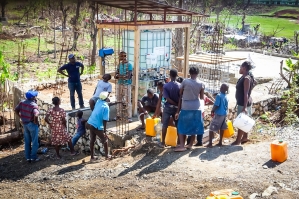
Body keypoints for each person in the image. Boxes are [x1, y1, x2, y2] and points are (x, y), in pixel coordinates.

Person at [174, 66, 205, 152]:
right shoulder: (201, 83)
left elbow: (180, 93)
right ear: (197, 73)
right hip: (196, 106)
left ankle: (182, 146)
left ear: (190, 73)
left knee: (181, 126)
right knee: (194, 125)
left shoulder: (185, 81)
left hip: (186, 106)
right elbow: (202, 97)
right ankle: (190, 144)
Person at [232, 61, 257, 145]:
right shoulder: (247, 77)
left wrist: (244, 107)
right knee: (245, 120)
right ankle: (245, 137)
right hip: (244, 102)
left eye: (240, 67)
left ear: (244, 68)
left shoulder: (246, 78)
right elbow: (255, 82)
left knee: (241, 122)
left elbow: (246, 93)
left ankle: (238, 141)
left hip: (243, 103)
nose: (239, 69)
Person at [14, 90, 40, 162]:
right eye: (35, 96)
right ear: (33, 97)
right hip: (32, 124)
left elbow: (16, 110)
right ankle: (33, 157)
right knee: (35, 142)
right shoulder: (33, 105)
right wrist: (35, 121)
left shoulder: (22, 103)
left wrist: (21, 117)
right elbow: (36, 114)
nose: (36, 97)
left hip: (25, 124)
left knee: (27, 141)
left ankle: (28, 157)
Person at [86, 91, 111, 161]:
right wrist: (104, 131)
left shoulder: (98, 101)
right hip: (96, 125)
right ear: (106, 98)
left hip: (89, 123)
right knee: (105, 140)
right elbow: (105, 120)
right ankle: (107, 155)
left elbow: (106, 103)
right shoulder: (106, 107)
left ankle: (92, 157)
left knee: (92, 140)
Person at [159, 69, 180, 148]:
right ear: (176, 75)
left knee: (165, 125)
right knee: (178, 125)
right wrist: (177, 105)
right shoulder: (179, 85)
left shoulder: (166, 86)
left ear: (170, 75)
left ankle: (162, 143)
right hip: (177, 108)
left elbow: (167, 99)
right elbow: (180, 98)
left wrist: (173, 103)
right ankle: (178, 142)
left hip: (168, 107)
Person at [206, 83, 229, 148]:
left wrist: (212, 110)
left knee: (211, 128)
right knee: (222, 128)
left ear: (221, 88)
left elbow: (216, 105)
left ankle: (210, 143)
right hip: (224, 114)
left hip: (219, 114)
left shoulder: (219, 96)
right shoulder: (226, 96)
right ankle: (220, 142)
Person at [114, 51, 133, 122]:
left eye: (124, 56)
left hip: (127, 84)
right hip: (120, 83)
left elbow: (128, 76)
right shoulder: (119, 65)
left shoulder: (129, 65)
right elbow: (115, 76)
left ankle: (129, 117)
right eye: (121, 56)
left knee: (128, 100)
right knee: (118, 99)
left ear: (126, 56)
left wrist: (119, 76)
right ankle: (118, 115)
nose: (123, 57)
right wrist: (122, 76)